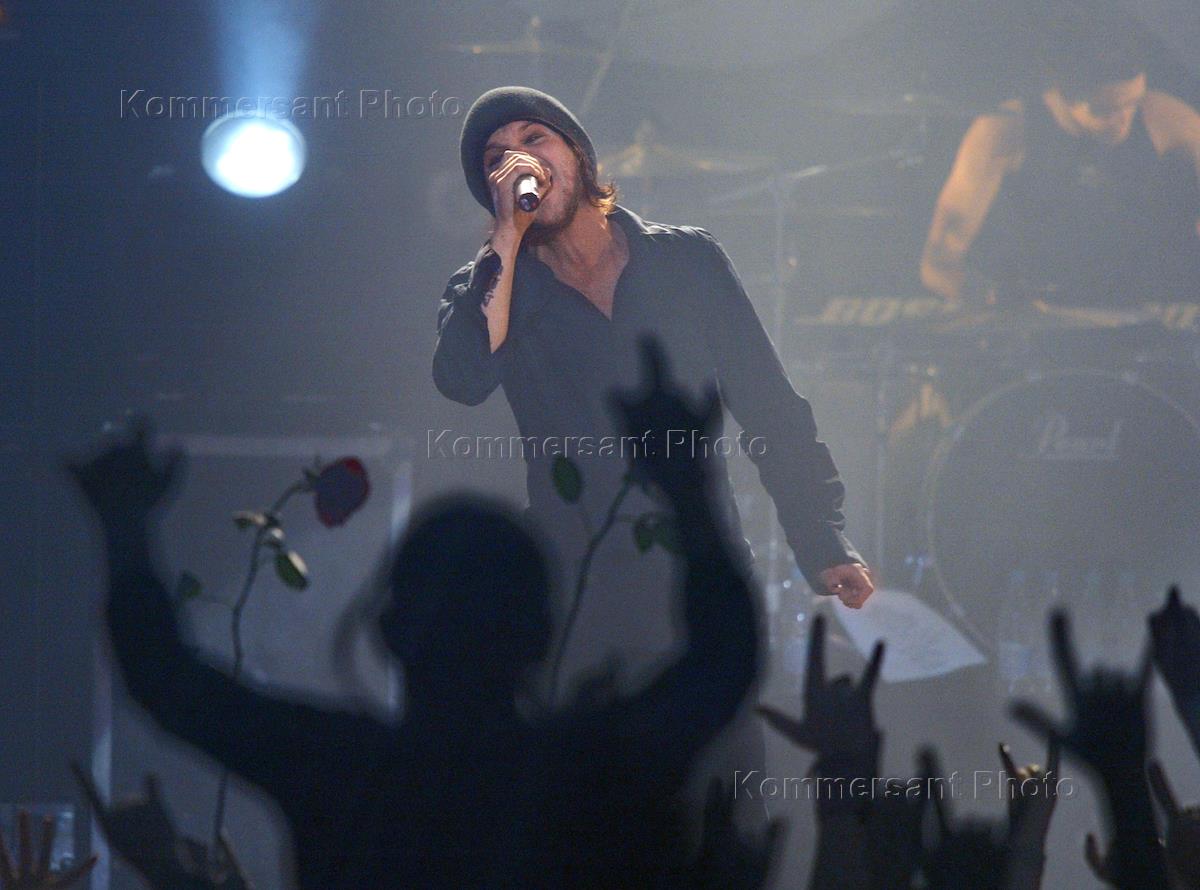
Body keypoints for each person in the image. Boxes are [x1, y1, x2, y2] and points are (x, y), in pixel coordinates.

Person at [67, 345, 763, 889]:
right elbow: (723, 662)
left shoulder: (336, 770)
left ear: (388, 631)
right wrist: (687, 485)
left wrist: (124, 530)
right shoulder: (587, 768)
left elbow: (165, 680)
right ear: (539, 633)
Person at [433, 87, 873, 693]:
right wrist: (506, 238)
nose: (519, 161)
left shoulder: (686, 260)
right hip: (575, 589)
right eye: (496, 159)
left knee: (719, 747)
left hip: (703, 570)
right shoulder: (491, 289)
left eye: (534, 139)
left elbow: (769, 406)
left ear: (578, 154)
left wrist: (819, 534)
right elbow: (462, 380)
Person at [920, 10, 1200, 309]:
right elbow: (938, 263)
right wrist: (992, 302)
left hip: (1148, 303)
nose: (1124, 120)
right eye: (1106, 110)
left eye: (1132, 103)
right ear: (1064, 96)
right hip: (1043, 310)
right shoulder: (1005, 130)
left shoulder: (1160, 115)